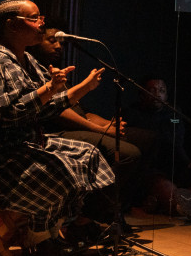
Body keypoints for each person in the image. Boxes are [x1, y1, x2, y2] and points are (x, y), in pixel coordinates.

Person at [0, 0, 116, 256]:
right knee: (57, 169)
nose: (41, 24)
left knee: (88, 154)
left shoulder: (25, 60)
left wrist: (83, 87)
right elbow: (10, 113)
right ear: (12, 25)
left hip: (20, 144)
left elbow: (44, 109)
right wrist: (49, 89)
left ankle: (49, 230)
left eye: (40, 17)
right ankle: (39, 238)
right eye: (34, 18)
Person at [29, 22, 157, 209]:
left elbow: (84, 112)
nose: (58, 46)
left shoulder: (54, 70)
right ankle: (94, 211)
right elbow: (60, 113)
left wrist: (110, 124)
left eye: (61, 43)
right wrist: (102, 129)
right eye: (52, 41)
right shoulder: (35, 70)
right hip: (60, 131)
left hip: (82, 124)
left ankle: (123, 205)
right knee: (129, 154)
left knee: (149, 139)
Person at [119, 77, 191, 223]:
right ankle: (186, 206)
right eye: (152, 90)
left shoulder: (174, 113)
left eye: (162, 91)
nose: (158, 94)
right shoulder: (131, 113)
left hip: (179, 166)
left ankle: (173, 202)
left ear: (167, 96)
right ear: (142, 94)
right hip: (152, 171)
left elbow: (178, 142)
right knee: (165, 187)